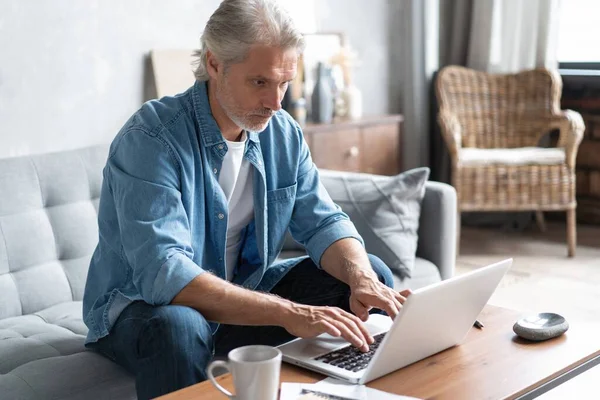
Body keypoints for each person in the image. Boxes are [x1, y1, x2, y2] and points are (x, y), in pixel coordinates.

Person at [82, 0, 410, 398]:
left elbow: (323, 222)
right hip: (143, 309)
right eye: (260, 82)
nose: (276, 102)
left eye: (285, 83)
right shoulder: (151, 139)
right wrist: (290, 313)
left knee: (371, 273)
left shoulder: (283, 133)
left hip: (236, 296)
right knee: (181, 327)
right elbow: (165, 275)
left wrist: (360, 278)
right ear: (215, 63)